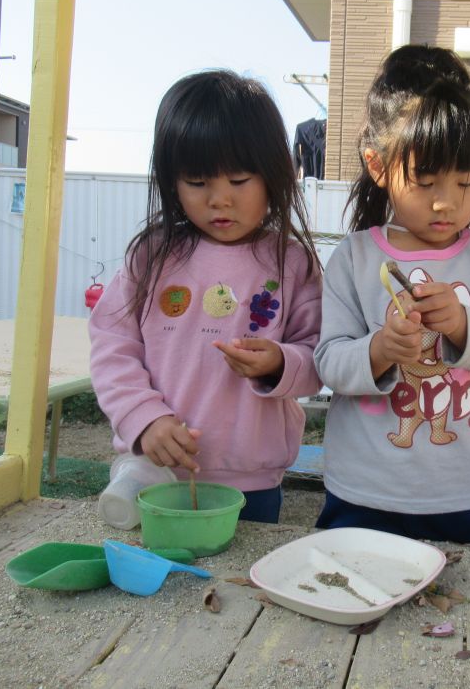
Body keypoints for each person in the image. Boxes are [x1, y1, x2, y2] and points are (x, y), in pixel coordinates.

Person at [313, 45, 470, 547]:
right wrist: (381, 349)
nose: (446, 202)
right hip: (364, 490)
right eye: (426, 181)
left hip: (464, 494)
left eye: (466, 182)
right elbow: (328, 361)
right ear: (378, 165)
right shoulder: (356, 257)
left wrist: (461, 325)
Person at [89, 70, 322, 524]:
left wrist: (279, 363)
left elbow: (320, 357)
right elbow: (112, 346)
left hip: (252, 482)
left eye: (238, 180)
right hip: (155, 472)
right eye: (197, 182)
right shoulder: (152, 255)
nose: (220, 200)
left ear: (274, 175)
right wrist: (144, 418)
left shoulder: (292, 264)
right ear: (171, 180)